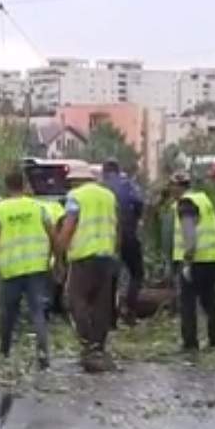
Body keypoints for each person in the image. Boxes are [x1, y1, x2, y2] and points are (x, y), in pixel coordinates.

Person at [0, 170, 55, 370]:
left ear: (7, 186)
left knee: (8, 313)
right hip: (36, 267)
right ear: (24, 185)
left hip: (11, 269)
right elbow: (52, 234)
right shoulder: (38, 207)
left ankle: (5, 350)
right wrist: (55, 258)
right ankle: (43, 354)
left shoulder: (1, 210)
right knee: (37, 312)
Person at [56, 164, 119, 373]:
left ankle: (87, 341)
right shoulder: (108, 196)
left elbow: (70, 225)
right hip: (106, 256)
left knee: (77, 301)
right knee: (102, 303)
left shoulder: (76, 196)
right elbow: (116, 227)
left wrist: (59, 253)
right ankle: (98, 345)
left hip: (83, 257)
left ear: (76, 181)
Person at [169, 170, 215, 351]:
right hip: (213, 258)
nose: (171, 190)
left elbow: (189, 234)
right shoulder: (203, 199)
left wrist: (187, 261)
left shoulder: (186, 204)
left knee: (187, 302)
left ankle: (190, 343)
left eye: (172, 186)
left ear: (179, 187)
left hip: (196, 260)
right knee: (209, 301)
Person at [102, 159, 145, 326]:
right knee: (137, 273)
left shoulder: (101, 187)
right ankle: (129, 310)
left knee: (110, 277)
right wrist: (136, 220)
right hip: (128, 234)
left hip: (107, 238)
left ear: (105, 172)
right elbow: (140, 203)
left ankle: (110, 319)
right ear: (118, 170)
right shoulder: (129, 185)